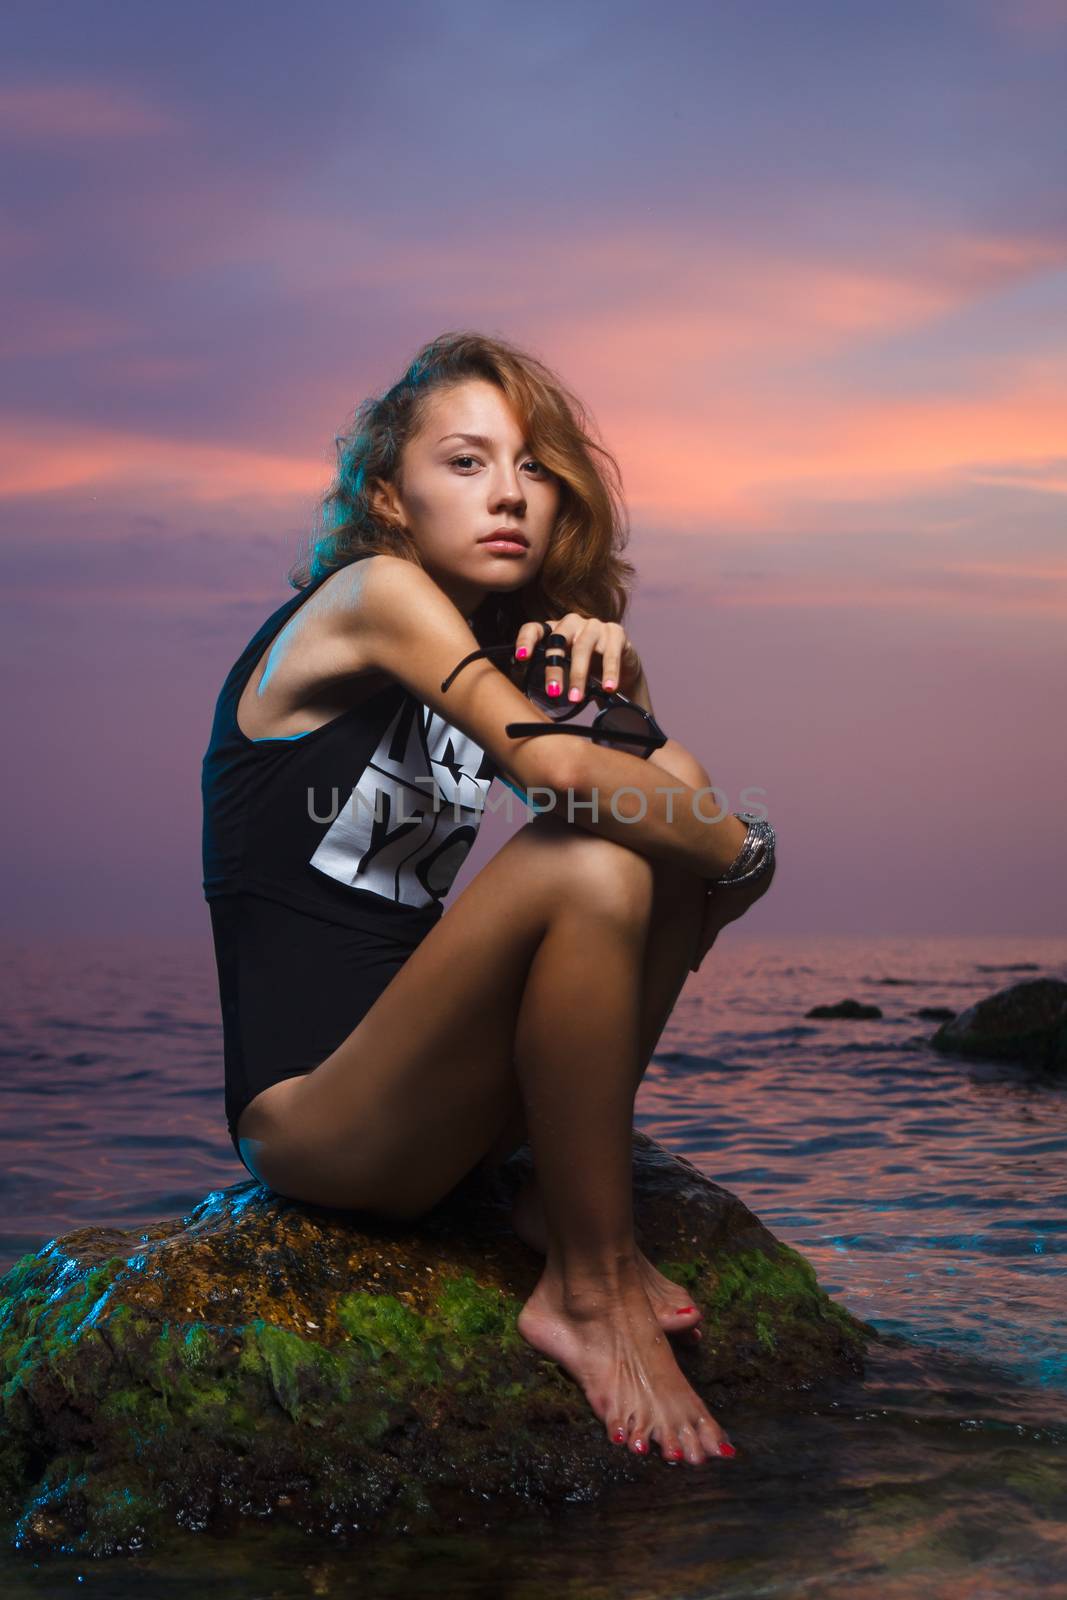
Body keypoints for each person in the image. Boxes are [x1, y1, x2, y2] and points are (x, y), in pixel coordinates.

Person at [201, 330, 776, 1468]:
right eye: (464, 463)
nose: (508, 492)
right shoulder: (374, 594)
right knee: (588, 853)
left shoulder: (504, 651)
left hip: (445, 1117)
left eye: (532, 465)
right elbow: (575, 788)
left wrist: (632, 696)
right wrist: (749, 849)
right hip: (318, 1122)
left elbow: (676, 806)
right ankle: (586, 1282)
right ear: (388, 495)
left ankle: (551, 1206)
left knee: (630, 847)